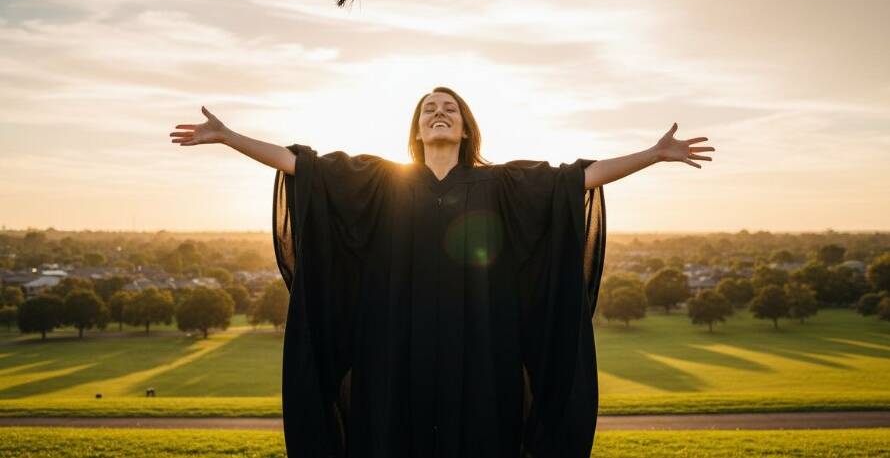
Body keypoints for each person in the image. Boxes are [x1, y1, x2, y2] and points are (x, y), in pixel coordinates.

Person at [170, 87, 714, 457]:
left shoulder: (500, 184)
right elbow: (300, 165)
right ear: (416, 128)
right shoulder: (380, 181)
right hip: (392, 356)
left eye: (449, 107)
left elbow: (581, 180)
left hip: (481, 357)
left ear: (465, 127)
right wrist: (229, 136)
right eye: (429, 107)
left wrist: (653, 153)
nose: (438, 112)